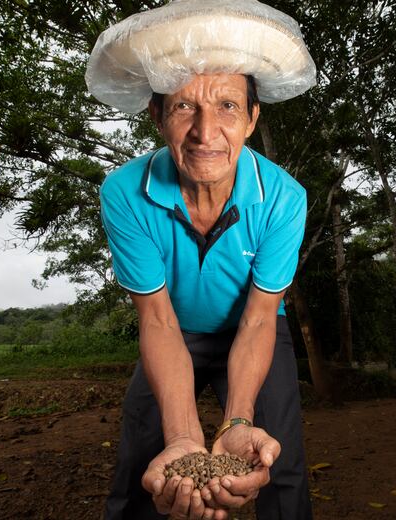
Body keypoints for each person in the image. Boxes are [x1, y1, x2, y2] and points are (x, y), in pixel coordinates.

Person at [85, 2, 317, 518]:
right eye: (185, 106)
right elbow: (158, 317)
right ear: (157, 115)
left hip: (254, 328)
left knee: (278, 463)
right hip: (173, 328)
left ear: (254, 117)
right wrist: (186, 436)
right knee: (143, 463)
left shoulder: (284, 198)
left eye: (229, 106)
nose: (206, 132)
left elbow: (260, 316)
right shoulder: (125, 193)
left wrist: (236, 422)